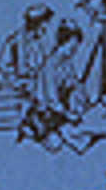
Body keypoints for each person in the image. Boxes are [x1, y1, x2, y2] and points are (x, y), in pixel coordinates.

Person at [17, 18, 87, 151]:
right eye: (72, 47)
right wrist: (69, 115)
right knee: (58, 144)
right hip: (46, 114)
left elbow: (73, 83)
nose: (74, 51)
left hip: (61, 113)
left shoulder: (66, 64)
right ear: (63, 43)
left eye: (76, 48)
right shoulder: (49, 66)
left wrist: (79, 94)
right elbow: (52, 100)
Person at [0, 3, 54, 96]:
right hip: (17, 88)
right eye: (43, 22)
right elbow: (2, 70)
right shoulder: (16, 41)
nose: (45, 26)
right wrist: (16, 81)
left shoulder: (41, 41)